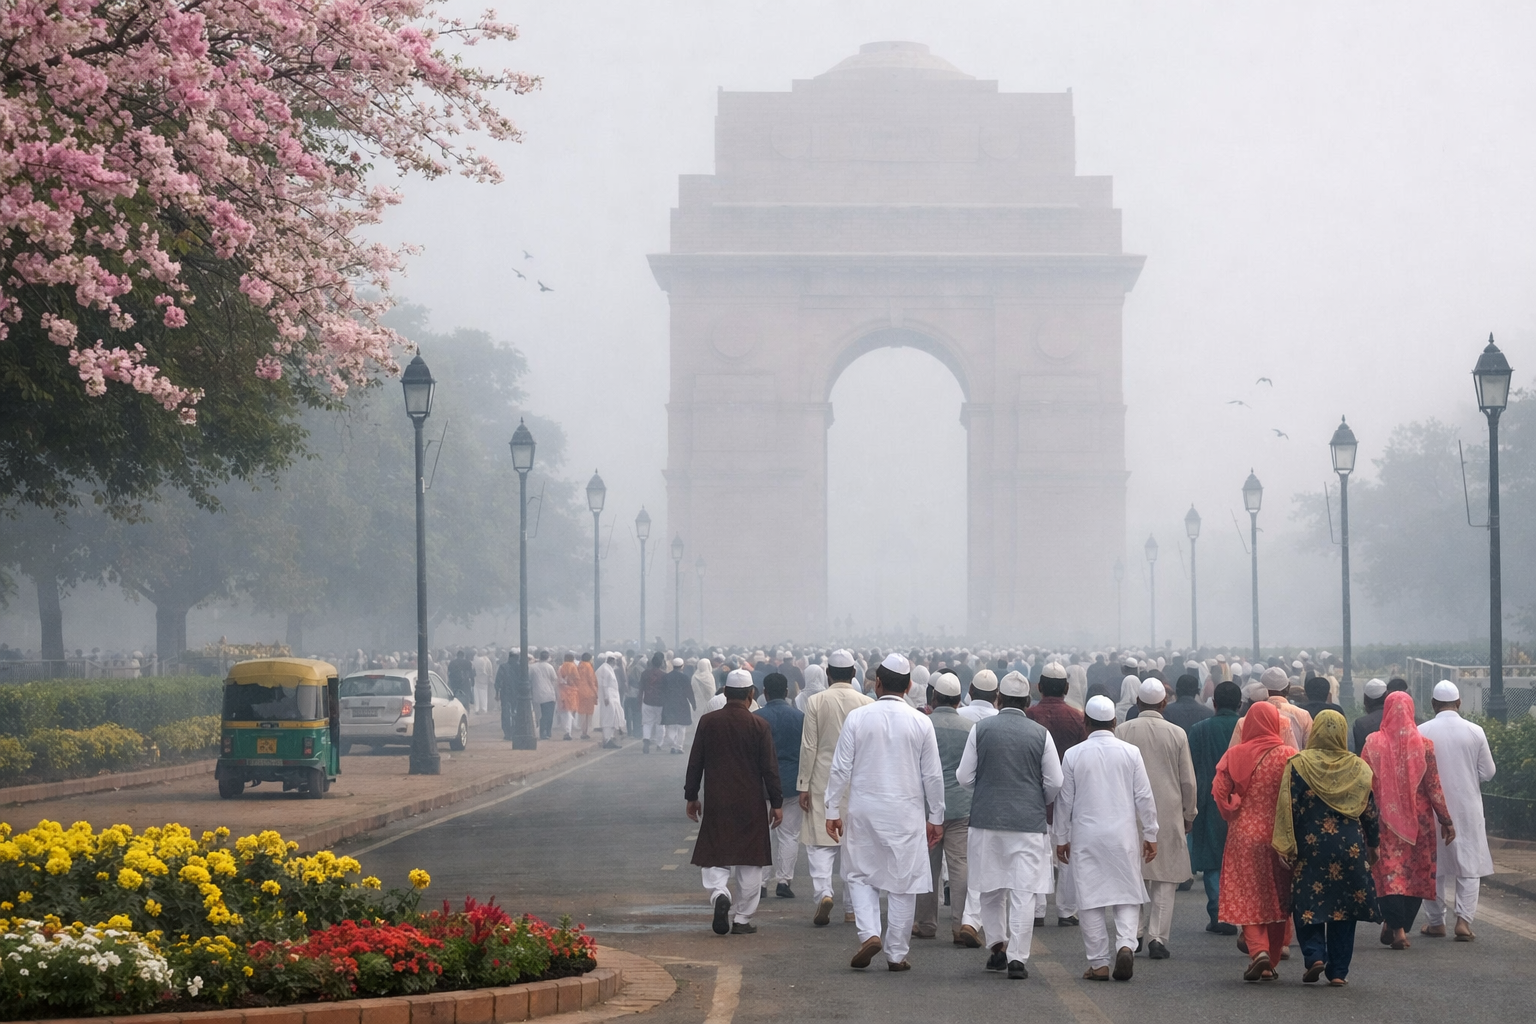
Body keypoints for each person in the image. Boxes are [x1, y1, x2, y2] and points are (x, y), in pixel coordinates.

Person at [824, 653, 945, 972]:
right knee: (903, 883)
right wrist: (936, 817)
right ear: (908, 685)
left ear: (876, 683)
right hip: (906, 813)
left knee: (861, 874)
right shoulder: (921, 721)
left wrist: (832, 808)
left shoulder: (859, 717)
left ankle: (869, 934)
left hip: (865, 808)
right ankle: (896, 954)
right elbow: (933, 775)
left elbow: (840, 769)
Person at [957, 670, 1063, 980]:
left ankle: (998, 948)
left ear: (999, 699)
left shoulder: (981, 729)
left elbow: (964, 777)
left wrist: (985, 790)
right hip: (1028, 823)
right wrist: (1034, 797)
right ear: (1027, 701)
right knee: (1023, 892)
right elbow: (1054, 782)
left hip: (986, 820)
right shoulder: (1040, 734)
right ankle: (1018, 958)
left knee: (989, 888)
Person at [1053, 695, 1158, 983]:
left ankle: (1098, 963)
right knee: (1126, 894)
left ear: (1085, 723)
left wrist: (1061, 838)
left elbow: (1064, 802)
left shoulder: (1073, 755)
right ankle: (1126, 944)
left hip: (1086, 836)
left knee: (1090, 900)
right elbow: (1144, 797)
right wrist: (1151, 833)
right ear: (1114, 722)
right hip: (1122, 835)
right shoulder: (1131, 752)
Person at [1272, 710, 1380, 986]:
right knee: (1345, 906)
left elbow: (1288, 806)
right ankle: (1338, 972)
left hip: (1312, 846)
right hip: (1351, 847)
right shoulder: (1359, 768)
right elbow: (1369, 812)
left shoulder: (1298, 764)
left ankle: (1315, 956)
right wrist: (1374, 844)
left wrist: (1286, 844)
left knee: (1308, 902)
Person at [685, 669, 783, 935]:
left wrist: (691, 796)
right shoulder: (759, 725)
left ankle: (719, 895)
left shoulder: (708, 722)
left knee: (716, 854)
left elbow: (695, 762)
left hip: (717, 799)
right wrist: (776, 802)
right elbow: (770, 768)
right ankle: (742, 919)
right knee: (751, 860)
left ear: (725, 693)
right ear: (752, 695)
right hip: (751, 801)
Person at [1362, 691, 1455, 949]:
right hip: (1419, 822)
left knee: (1389, 874)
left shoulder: (1372, 743)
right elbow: (1434, 787)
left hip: (1384, 820)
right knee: (1416, 875)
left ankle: (1396, 927)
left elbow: (1364, 784)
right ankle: (1399, 927)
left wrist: (1360, 818)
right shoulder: (1424, 745)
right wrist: (1446, 819)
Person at [1214, 701, 1297, 981]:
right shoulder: (1289, 755)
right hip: (1279, 835)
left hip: (1243, 835)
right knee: (1278, 895)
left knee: (1247, 894)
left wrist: (1231, 810)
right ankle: (1271, 958)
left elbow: (1220, 792)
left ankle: (1258, 952)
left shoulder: (1235, 754)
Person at [1116, 678, 1196, 960]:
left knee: (1133, 874)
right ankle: (1157, 938)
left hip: (1130, 812)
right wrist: (1189, 814)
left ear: (1138, 703)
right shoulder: (1177, 734)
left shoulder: (1123, 730)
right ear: (1164, 703)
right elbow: (1187, 781)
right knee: (1165, 879)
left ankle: (1133, 932)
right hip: (1168, 812)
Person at [797, 650, 873, 927]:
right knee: (852, 845)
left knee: (820, 843)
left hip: (822, 777)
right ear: (854, 674)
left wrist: (803, 784)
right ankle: (852, 908)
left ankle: (824, 894)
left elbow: (809, 746)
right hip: (857, 779)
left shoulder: (815, 701)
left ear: (828, 673)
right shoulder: (866, 702)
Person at [1417, 681, 1497, 940]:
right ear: (1459, 703)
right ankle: (1463, 921)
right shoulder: (1475, 731)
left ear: (1433, 704)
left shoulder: (1422, 731)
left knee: (1434, 864)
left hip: (1432, 808)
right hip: (1467, 807)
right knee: (1469, 864)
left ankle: (1436, 921)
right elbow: (1488, 772)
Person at [1025, 663, 1087, 927]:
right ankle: (1066, 910)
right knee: (1067, 854)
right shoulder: (1078, 718)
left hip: (1034, 795)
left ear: (1039, 686)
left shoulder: (1028, 716)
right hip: (1069, 796)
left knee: (1037, 855)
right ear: (1066, 688)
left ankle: (1037, 910)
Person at [914, 671, 973, 943]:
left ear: (934, 698)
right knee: (959, 865)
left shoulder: (922, 723)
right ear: (959, 701)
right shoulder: (971, 728)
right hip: (962, 806)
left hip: (927, 807)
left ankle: (926, 924)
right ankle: (961, 925)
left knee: (929, 865)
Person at [1188, 681, 1242, 935]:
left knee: (1212, 860)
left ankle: (1218, 913)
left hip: (1210, 802)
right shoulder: (1247, 729)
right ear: (1240, 704)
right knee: (1240, 860)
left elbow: (1193, 771)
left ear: (1214, 703)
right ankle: (1239, 912)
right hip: (1244, 803)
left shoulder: (1198, 731)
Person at [755, 672, 806, 899]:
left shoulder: (756, 718)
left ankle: (761, 883)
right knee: (789, 835)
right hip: (792, 783)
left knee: (762, 835)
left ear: (764, 693)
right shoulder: (800, 717)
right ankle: (784, 881)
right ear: (787, 692)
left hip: (762, 785)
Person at [1228, 666, 1311, 752]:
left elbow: (1233, 754)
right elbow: (1309, 751)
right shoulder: (1303, 715)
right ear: (1287, 688)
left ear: (1261, 689)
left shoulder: (1247, 719)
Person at [659, 657, 696, 754]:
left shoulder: (666, 677)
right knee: (681, 727)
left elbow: (661, 691)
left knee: (671, 726)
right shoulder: (685, 677)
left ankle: (673, 745)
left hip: (669, 703)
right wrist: (693, 703)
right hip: (682, 703)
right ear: (682, 666)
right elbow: (689, 692)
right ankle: (679, 747)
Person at [1350, 678, 1388, 753]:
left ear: (1365, 700)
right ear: (1386, 697)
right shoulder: (1397, 720)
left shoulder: (1361, 724)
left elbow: (1359, 753)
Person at [596, 653, 625, 748]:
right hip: (608, 698)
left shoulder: (608, 668)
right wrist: (606, 697)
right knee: (608, 718)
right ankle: (607, 740)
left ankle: (609, 738)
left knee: (612, 718)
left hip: (612, 697)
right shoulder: (605, 669)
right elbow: (604, 685)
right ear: (612, 661)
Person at [640, 652, 666, 753]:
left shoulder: (645, 673)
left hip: (647, 701)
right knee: (660, 724)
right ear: (661, 664)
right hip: (660, 702)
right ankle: (659, 744)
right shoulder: (664, 675)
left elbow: (641, 689)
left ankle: (646, 739)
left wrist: (639, 702)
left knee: (647, 723)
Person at [529, 650, 558, 739]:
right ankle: (546, 732)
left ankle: (540, 732)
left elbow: (529, 679)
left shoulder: (532, 667)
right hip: (549, 694)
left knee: (539, 715)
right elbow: (554, 679)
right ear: (547, 657)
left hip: (536, 694)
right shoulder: (549, 667)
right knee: (548, 715)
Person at [556, 653, 582, 741]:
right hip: (572, 691)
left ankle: (568, 730)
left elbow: (558, 680)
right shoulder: (574, 667)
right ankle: (569, 730)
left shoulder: (560, 668)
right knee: (569, 711)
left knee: (565, 712)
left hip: (562, 691)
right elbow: (577, 679)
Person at [472, 648, 494, 715]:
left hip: (476, 678)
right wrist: (490, 676)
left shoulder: (475, 659)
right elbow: (490, 670)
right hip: (484, 679)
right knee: (484, 694)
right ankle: (484, 708)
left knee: (476, 694)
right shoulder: (487, 660)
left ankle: (477, 708)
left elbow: (473, 668)